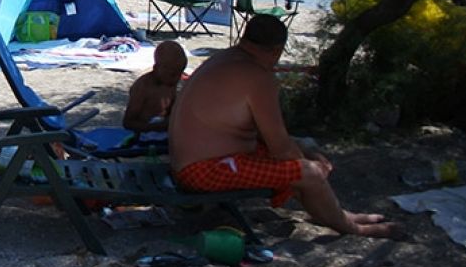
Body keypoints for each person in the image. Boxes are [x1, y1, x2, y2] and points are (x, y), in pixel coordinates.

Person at [168, 14, 399, 237]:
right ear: (278, 49)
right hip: (204, 170)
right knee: (308, 172)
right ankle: (352, 228)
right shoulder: (259, 76)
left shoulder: (223, 58)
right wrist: (310, 165)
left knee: (296, 164)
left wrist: (302, 152)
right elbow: (281, 149)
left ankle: (335, 214)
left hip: (193, 162)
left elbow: (265, 139)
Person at [123, 40, 186, 135]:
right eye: (172, 74)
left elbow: (172, 111)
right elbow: (128, 122)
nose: (176, 79)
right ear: (156, 68)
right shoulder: (143, 87)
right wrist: (155, 127)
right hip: (142, 135)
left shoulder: (170, 83)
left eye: (179, 73)